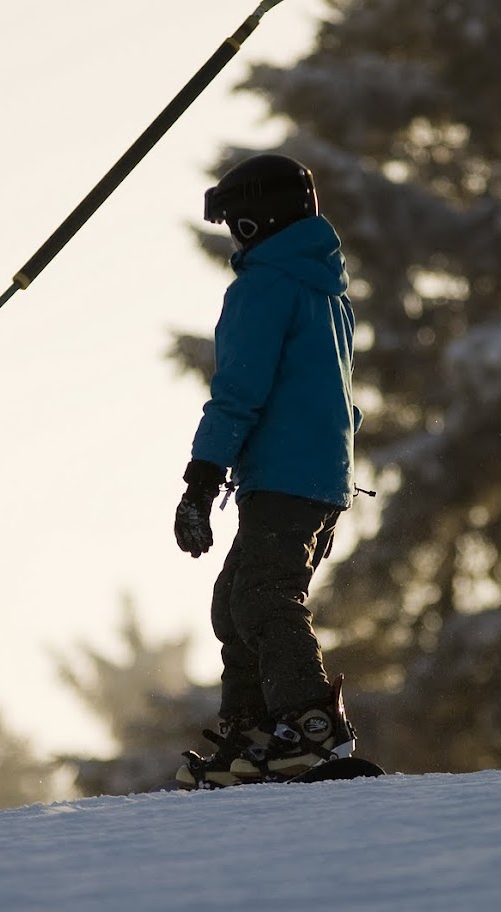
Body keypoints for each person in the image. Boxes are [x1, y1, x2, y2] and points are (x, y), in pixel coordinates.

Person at [172, 154, 363, 788]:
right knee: (235, 603)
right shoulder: (324, 288)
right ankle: (252, 730)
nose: (231, 234)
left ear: (256, 222)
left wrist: (201, 481)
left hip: (286, 472)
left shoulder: (264, 287)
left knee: (262, 595)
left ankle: (307, 724)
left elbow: (239, 390)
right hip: (319, 473)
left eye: (234, 221)